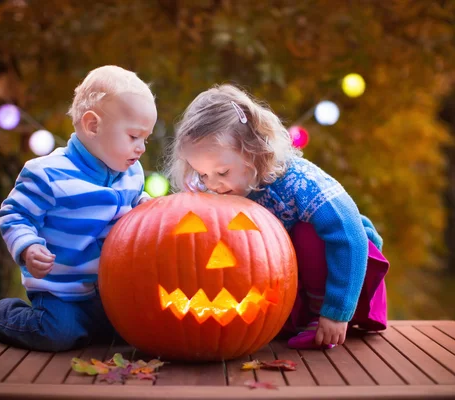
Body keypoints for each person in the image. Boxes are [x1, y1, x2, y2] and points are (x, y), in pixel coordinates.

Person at [166, 84, 389, 349]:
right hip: (290, 284)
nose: (211, 183)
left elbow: (350, 235)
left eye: (222, 172)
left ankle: (321, 317)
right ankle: (288, 320)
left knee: (308, 233)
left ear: (252, 150)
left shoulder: (298, 181)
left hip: (347, 274)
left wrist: (336, 311)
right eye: (202, 174)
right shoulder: (214, 187)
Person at [0, 65, 158, 352]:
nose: (141, 148)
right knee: (57, 334)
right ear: (93, 126)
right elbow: (15, 214)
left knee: (133, 333)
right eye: (133, 136)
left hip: (110, 292)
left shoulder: (132, 174)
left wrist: (150, 211)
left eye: (145, 139)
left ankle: (91, 329)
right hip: (61, 292)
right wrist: (28, 247)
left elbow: (134, 206)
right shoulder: (48, 174)